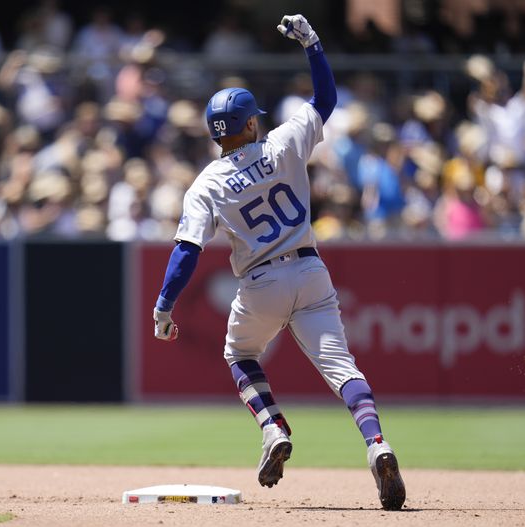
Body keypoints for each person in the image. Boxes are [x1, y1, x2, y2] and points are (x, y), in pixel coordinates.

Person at [151, 14, 406, 511]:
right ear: (250, 123)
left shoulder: (206, 182)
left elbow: (187, 251)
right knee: (342, 367)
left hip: (260, 281)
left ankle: (273, 429)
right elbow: (326, 101)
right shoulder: (284, 141)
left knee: (240, 355)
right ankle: (378, 444)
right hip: (310, 271)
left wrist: (164, 307)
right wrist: (312, 43)